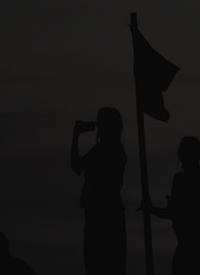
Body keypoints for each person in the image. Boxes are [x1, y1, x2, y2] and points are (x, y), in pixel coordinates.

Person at [71, 107, 127, 275]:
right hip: (106, 216)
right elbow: (77, 166)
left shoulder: (105, 151)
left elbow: (76, 166)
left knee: (99, 265)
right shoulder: (113, 151)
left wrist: (76, 135)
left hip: (101, 218)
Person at [143, 137, 200, 275]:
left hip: (189, 245)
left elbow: (173, 212)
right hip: (197, 244)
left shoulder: (181, 180)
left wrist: (152, 209)